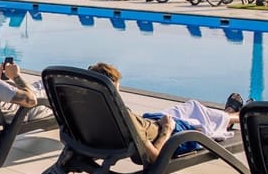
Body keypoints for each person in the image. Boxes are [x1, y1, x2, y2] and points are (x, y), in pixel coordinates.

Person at [88, 62, 241, 161]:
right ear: (112, 88)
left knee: (192, 107)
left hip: (149, 121)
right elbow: (154, 156)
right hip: (170, 132)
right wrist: (167, 130)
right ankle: (241, 115)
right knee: (202, 119)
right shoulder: (121, 115)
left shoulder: (90, 111)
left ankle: (230, 114)